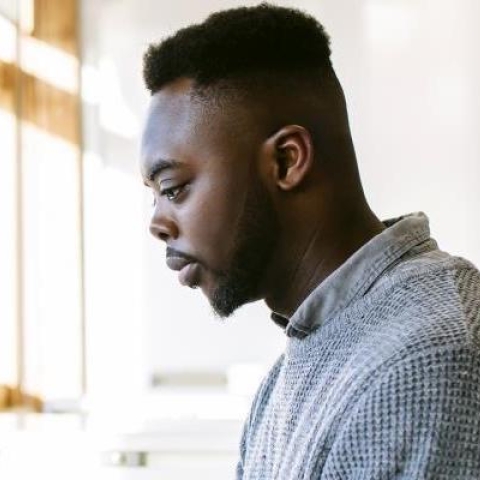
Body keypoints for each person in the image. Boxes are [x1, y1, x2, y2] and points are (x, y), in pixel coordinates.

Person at [140, 3, 480, 479]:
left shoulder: (426, 361)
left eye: (173, 189)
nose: (158, 222)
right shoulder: (292, 372)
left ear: (286, 161)